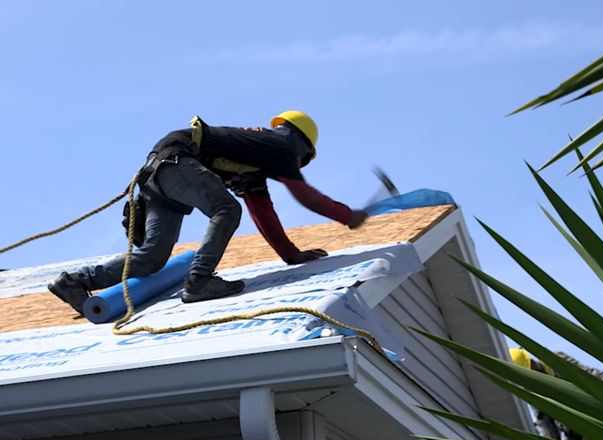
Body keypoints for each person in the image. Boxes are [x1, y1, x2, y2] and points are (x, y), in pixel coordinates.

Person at [48, 111, 369, 315]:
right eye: (305, 160)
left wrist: (291, 255)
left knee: (152, 259)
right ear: (302, 145)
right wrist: (347, 216)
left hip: (160, 173)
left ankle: (73, 282)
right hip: (177, 162)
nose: (299, 167)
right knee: (226, 209)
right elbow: (304, 195)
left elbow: (263, 214)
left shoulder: (253, 160)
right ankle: (199, 280)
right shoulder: (280, 146)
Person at [510, 348, 603, 440]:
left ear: (532, 364)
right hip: (573, 432)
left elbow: (593, 376)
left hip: (595, 418)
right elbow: (544, 424)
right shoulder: (534, 389)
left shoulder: (556, 362)